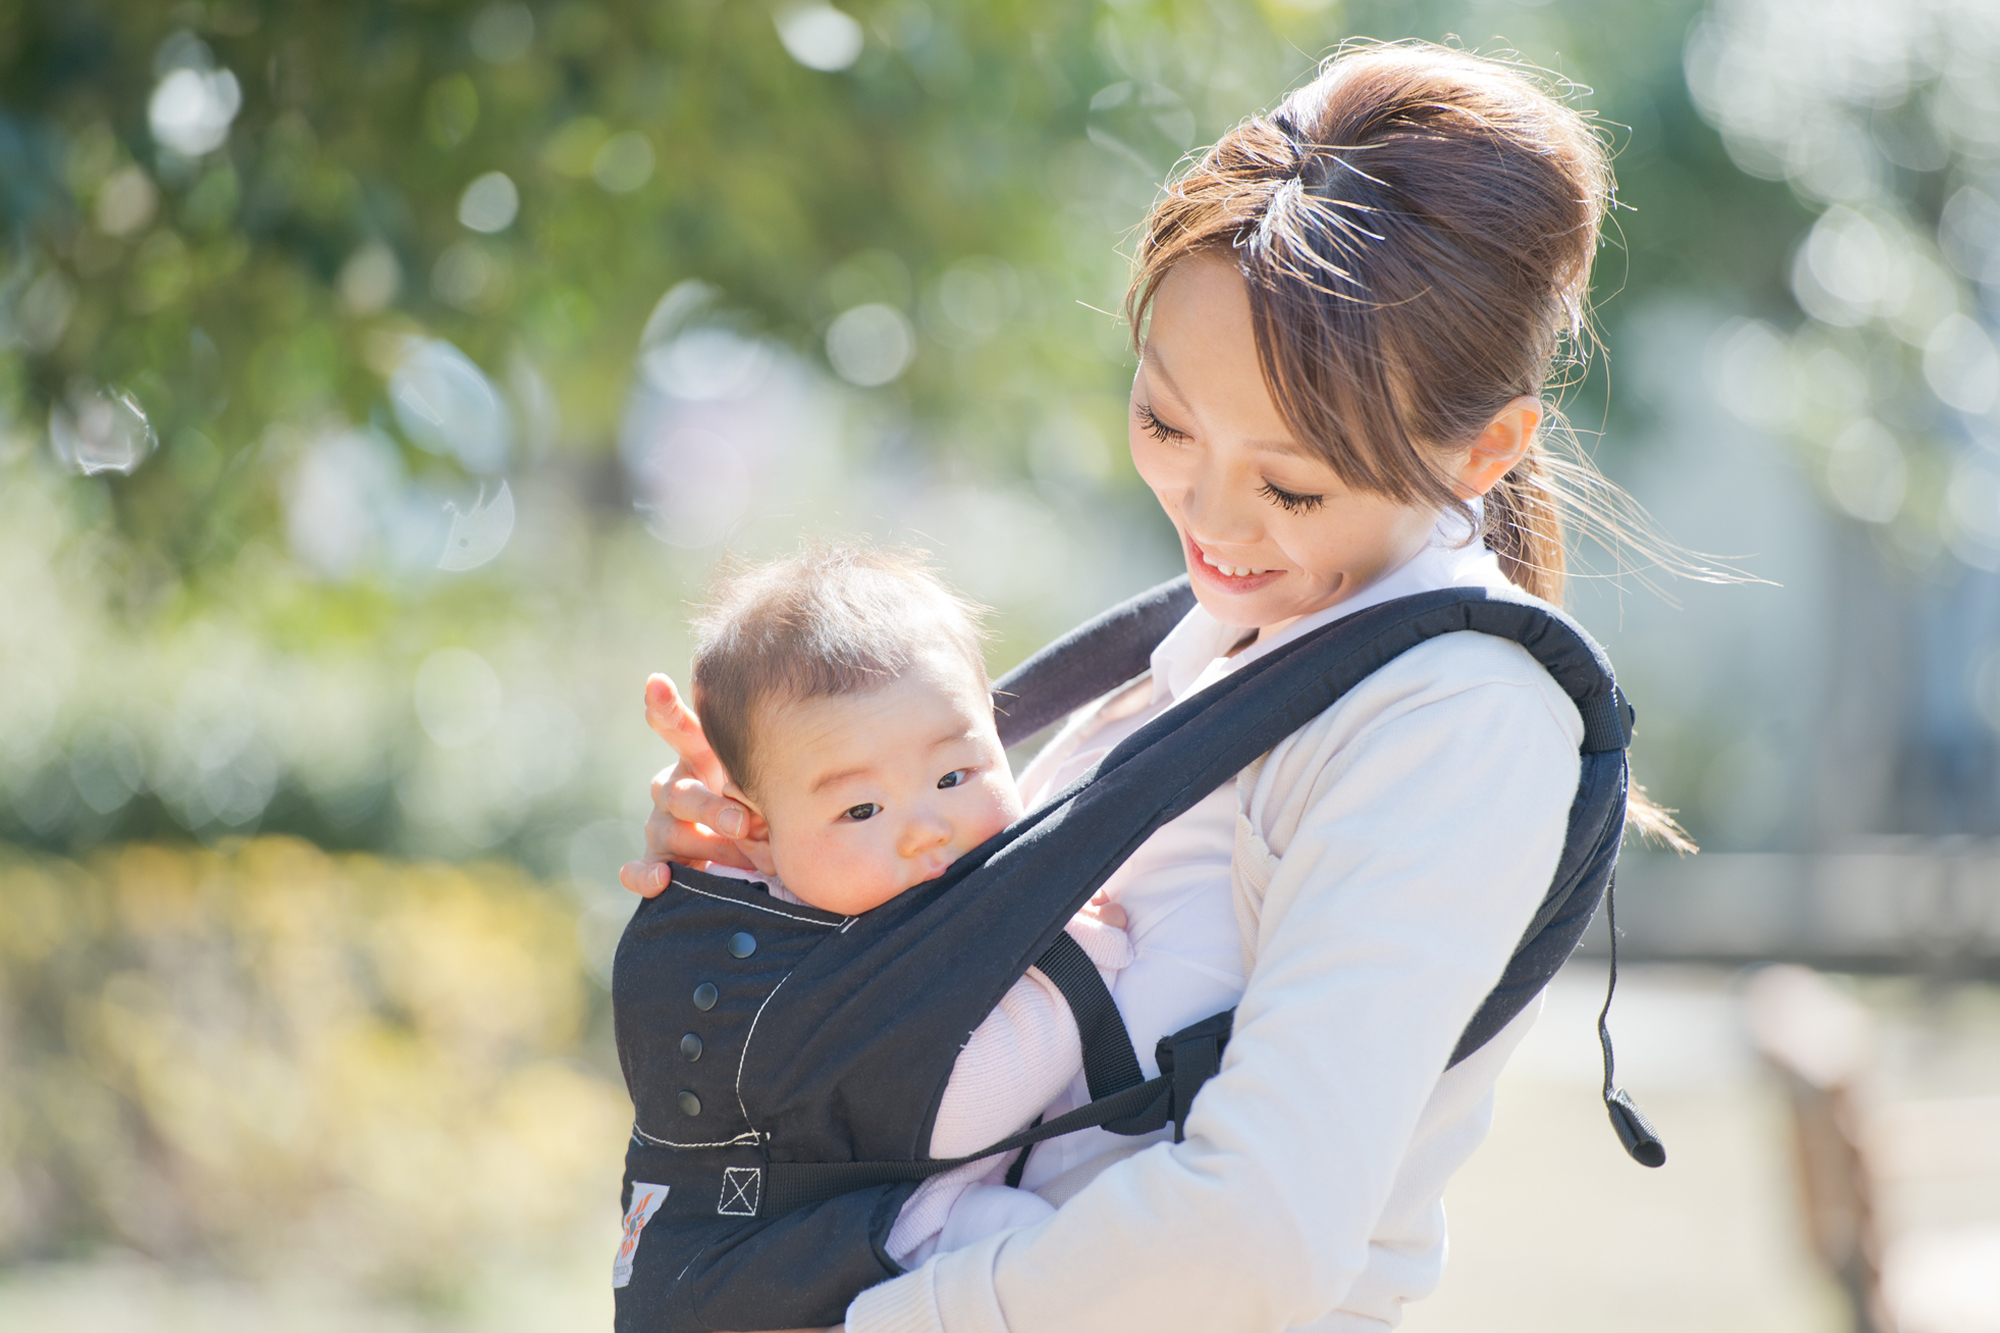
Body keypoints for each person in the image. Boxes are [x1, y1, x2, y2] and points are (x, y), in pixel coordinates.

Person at [622, 41, 1687, 1332]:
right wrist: (778, 864)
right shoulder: (1211, 652)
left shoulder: (1454, 718)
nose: (1211, 518)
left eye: (1292, 484)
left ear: (1490, 449)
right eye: (1167, 422)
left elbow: (1254, 1237)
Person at [657, 544, 1133, 1268]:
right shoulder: (783, 959)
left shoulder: (908, 886)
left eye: (953, 773)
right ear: (757, 829)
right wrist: (1074, 963)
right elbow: (948, 1113)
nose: (924, 828)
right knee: (1035, 1241)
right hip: (865, 1252)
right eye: (862, 808)